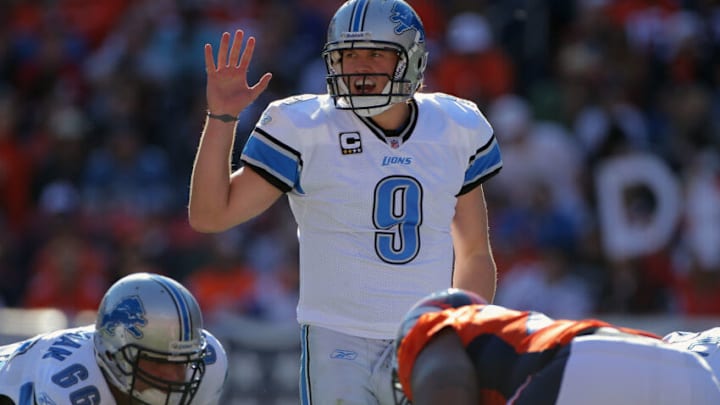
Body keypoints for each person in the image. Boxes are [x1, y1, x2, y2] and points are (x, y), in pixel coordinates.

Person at [188, 0, 502, 403]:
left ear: (412, 59)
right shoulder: (305, 127)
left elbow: (475, 251)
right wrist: (221, 119)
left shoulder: (456, 126)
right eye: (349, 54)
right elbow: (210, 215)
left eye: (376, 54)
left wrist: (460, 330)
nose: (361, 66)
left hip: (425, 335)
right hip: (337, 338)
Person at [393, 288, 720, 405]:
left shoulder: (437, 327)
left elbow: (447, 378)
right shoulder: (512, 331)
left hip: (584, 370)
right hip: (697, 378)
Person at [0, 272, 228, 405]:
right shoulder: (72, 388)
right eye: (159, 362)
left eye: (183, 361)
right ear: (113, 355)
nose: (176, 376)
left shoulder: (210, 361)